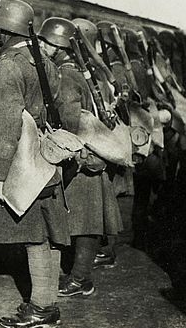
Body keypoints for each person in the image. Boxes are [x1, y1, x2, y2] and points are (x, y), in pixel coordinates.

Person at [0, 0, 68, 328]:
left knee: (34, 236)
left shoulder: (10, 65)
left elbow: (3, 122)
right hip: (46, 162)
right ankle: (48, 304)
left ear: (4, 31)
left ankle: (42, 308)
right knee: (46, 232)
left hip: (23, 165)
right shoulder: (43, 61)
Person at [36, 18, 123, 299]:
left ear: (61, 45)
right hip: (95, 152)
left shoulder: (67, 75)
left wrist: (69, 150)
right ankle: (80, 275)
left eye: (48, 41)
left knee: (85, 221)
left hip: (82, 156)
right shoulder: (87, 72)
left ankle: (80, 279)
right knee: (87, 217)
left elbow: (72, 118)